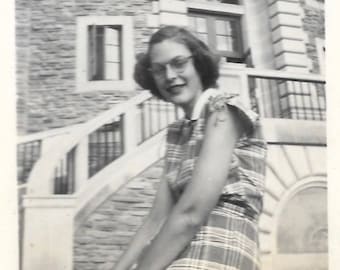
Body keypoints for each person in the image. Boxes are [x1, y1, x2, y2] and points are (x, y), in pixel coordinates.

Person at [113, 25, 267, 270]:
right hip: (183, 250)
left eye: (179, 63)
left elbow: (191, 214)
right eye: (159, 69)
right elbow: (156, 219)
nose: (170, 76)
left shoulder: (223, 110)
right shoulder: (177, 133)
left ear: (199, 64)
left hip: (223, 248)